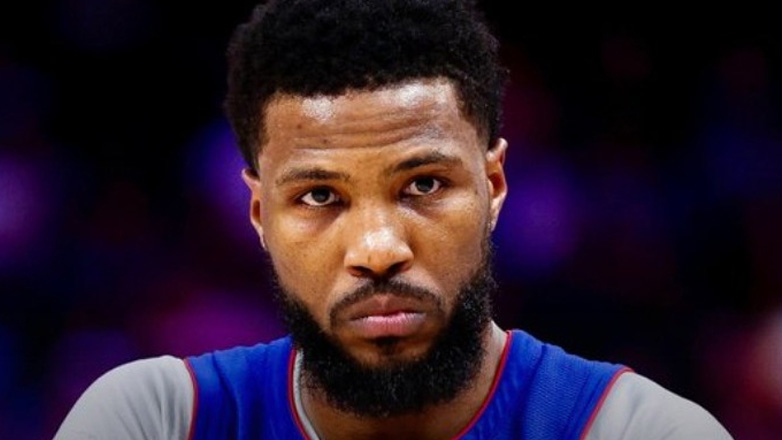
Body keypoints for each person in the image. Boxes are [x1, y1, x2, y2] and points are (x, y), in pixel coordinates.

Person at [53, 0, 735, 439]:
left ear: (494, 185)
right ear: (259, 213)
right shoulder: (156, 420)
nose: (378, 249)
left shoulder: (636, 429)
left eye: (424, 184)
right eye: (319, 196)